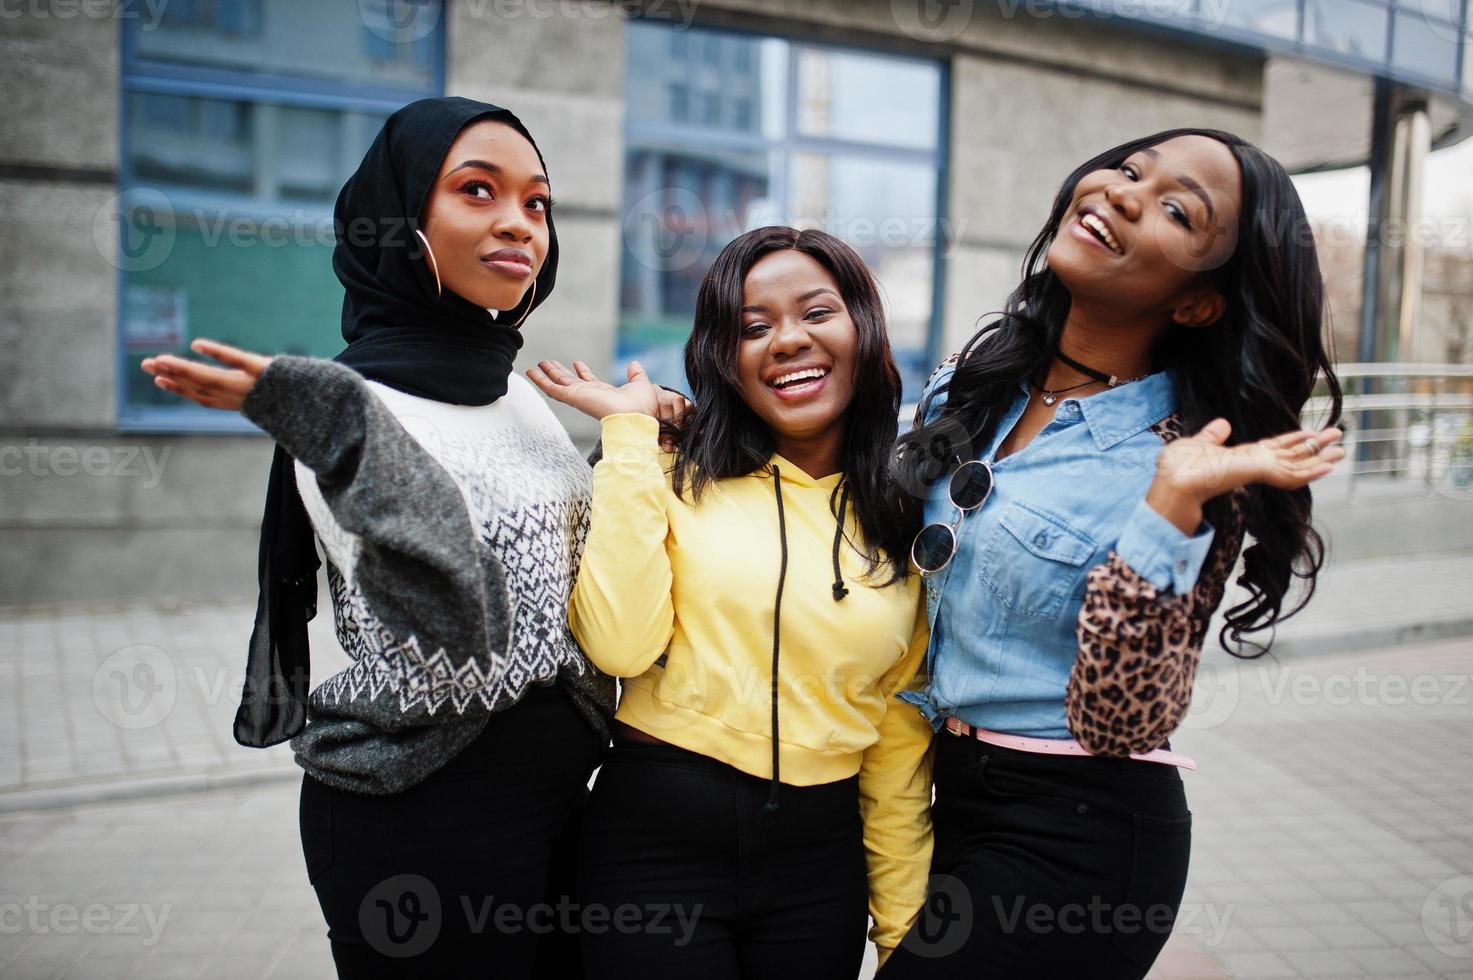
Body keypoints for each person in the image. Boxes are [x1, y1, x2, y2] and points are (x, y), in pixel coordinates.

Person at [140, 96, 683, 978]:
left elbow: (559, 572)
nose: (517, 222)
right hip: (420, 819)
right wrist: (340, 428)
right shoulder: (349, 414)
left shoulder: (516, 393)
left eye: (536, 202)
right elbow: (460, 634)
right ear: (400, 223)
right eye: (477, 191)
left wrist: (644, 437)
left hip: (559, 804)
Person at [879, 129, 1347, 978]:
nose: (1125, 193)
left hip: (1080, 840)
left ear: (1199, 301)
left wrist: (1168, 505)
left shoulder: (1193, 463)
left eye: (1175, 209)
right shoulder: (973, 385)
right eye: (1130, 170)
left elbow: (1119, 718)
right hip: (936, 791)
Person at [528, 226, 935, 978]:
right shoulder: (670, 473)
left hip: (820, 863)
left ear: (863, 331)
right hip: (656, 844)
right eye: (752, 327)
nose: (786, 341)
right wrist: (627, 435)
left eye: (816, 313)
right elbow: (617, 646)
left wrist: (903, 928)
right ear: (726, 358)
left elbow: (896, 743)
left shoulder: (903, 519)